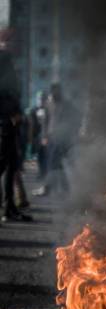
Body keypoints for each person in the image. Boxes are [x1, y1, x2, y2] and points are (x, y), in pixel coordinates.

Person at [0, 29, 31, 221]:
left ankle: (9, 207)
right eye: (15, 41)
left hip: (10, 122)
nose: (19, 46)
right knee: (3, 164)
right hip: (4, 121)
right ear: (6, 41)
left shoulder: (7, 60)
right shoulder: (2, 59)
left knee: (11, 166)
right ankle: (7, 207)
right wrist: (9, 113)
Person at [32, 83, 78, 197]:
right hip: (51, 138)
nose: (54, 93)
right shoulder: (49, 105)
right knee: (52, 164)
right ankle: (53, 188)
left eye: (56, 91)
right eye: (53, 91)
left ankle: (60, 189)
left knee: (56, 165)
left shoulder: (67, 105)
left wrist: (71, 134)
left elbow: (74, 120)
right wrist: (44, 136)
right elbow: (45, 122)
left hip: (63, 139)